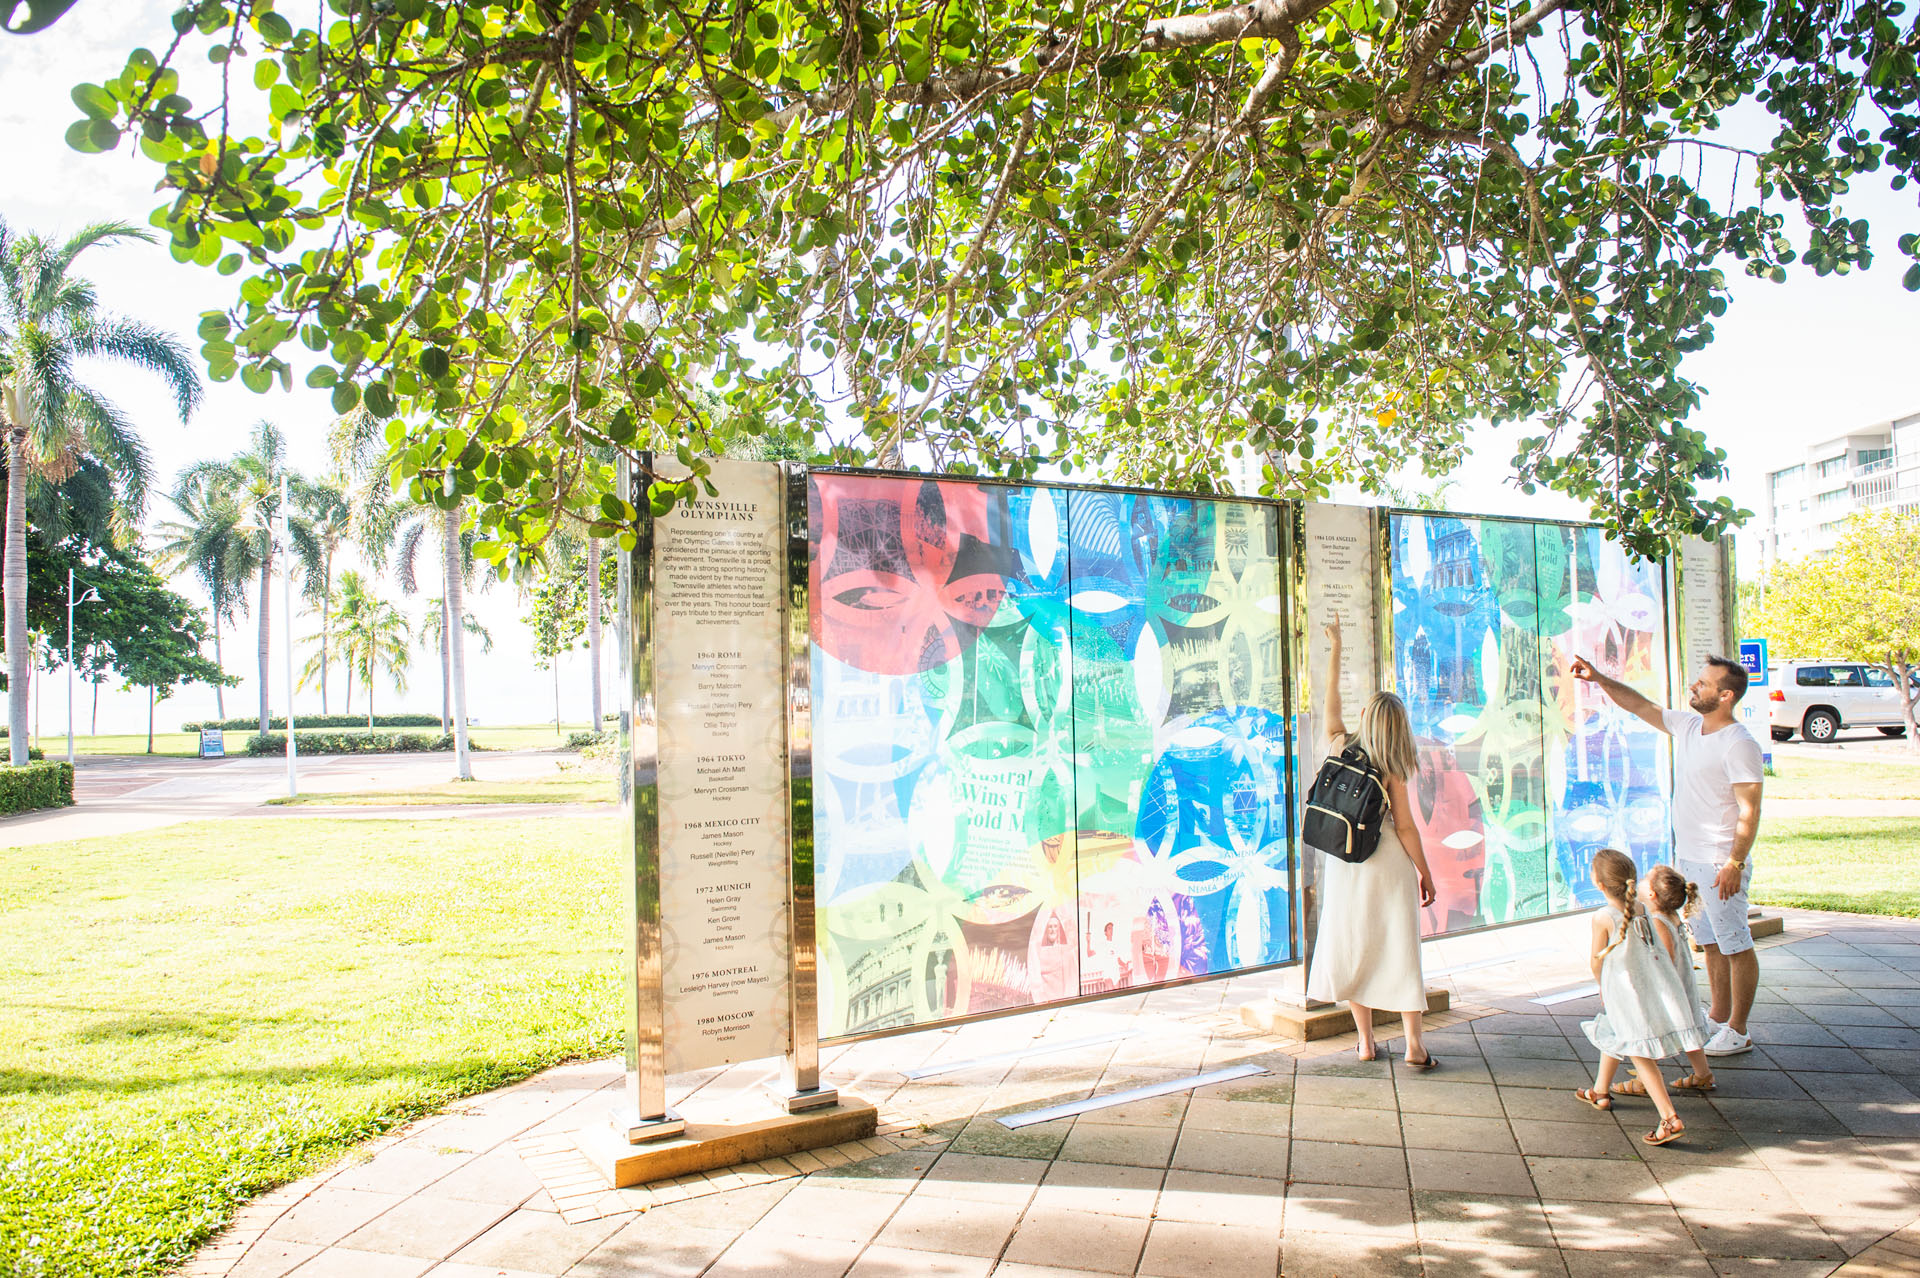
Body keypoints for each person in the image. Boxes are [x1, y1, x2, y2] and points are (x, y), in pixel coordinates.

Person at [1571, 653, 1764, 1056]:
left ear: (1725, 695)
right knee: (1710, 942)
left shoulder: (1739, 743)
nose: (1695, 686)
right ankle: (1718, 1016)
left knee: (1735, 943)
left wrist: (1735, 862)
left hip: (1719, 862)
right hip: (1691, 857)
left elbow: (1750, 809)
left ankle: (1739, 1029)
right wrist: (1598, 677)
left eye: (1704, 683)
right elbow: (1641, 705)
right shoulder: (1691, 726)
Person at [1306, 617, 1440, 1068]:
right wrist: (1425, 872)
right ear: (1397, 726)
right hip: (1388, 866)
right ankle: (1415, 1047)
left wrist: (1336, 649)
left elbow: (1329, 705)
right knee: (1399, 948)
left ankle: (1364, 1043)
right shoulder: (1393, 766)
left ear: (1366, 718)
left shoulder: (1341, 746)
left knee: (1355, 946)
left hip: (1348, 865)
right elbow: (1405, 828)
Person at [1572, 849, 1696, 1145]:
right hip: (1643, 987)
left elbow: (1596, 960)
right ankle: (1600, 1091)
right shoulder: (1639, 907)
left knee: (1638, 1050)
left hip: (1623, 991)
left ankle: (1669, 1117)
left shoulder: (1603, 916)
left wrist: (1602, 985)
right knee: (1619, 1032)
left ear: (1598, 884)